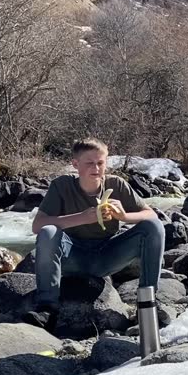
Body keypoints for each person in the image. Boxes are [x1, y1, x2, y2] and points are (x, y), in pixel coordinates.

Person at [23, 138, 164, 331]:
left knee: (154, 227)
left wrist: (124, 216)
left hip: (107, 255)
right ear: (75, 164)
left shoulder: (117, 185)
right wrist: (82, 218)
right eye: (89, 163)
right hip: (73, 255)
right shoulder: (61, 186)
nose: (96, 168)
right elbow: (37, 225)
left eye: (100, 163)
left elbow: (151, 214)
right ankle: (47, 309)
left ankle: (147, 304)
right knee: (48, 232)